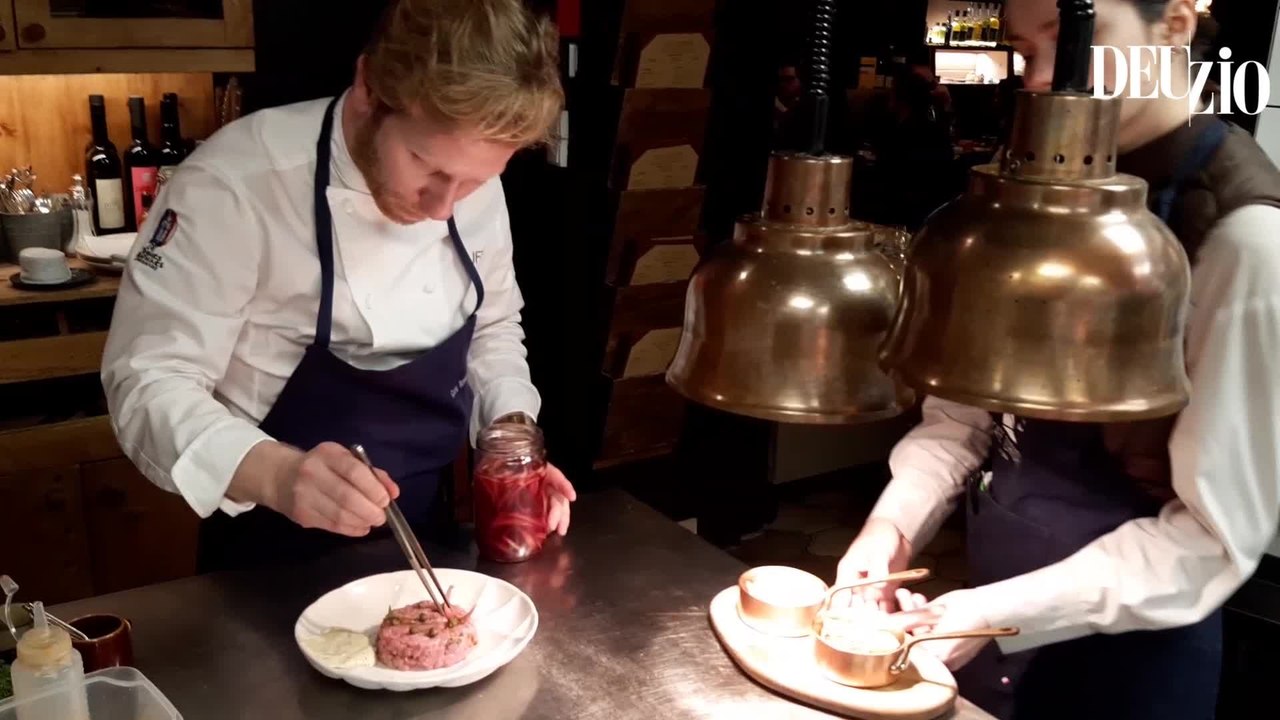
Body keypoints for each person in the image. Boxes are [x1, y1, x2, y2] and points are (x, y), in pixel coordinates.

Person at [837, 0, 1280, 717]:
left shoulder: (1243, 235)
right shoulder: (1028, 199)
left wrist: (997, 611)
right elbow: (966, 418)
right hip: (988, 629)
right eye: (1023, 48)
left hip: (1122, 668)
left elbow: (1216, 537)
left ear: (1174, 22)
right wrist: (891, 527)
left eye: (1077, 36)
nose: (1042, 78)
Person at [101, 0, 577, 574]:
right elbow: (147, 380)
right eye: (424, 165)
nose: (442, 206)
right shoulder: (232, 184)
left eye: (475, 182)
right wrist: (278, 474)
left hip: (429, 544)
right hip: (268, 557)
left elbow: (492, 326)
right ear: (368, 90)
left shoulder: (467, 182)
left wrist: (509, 439)